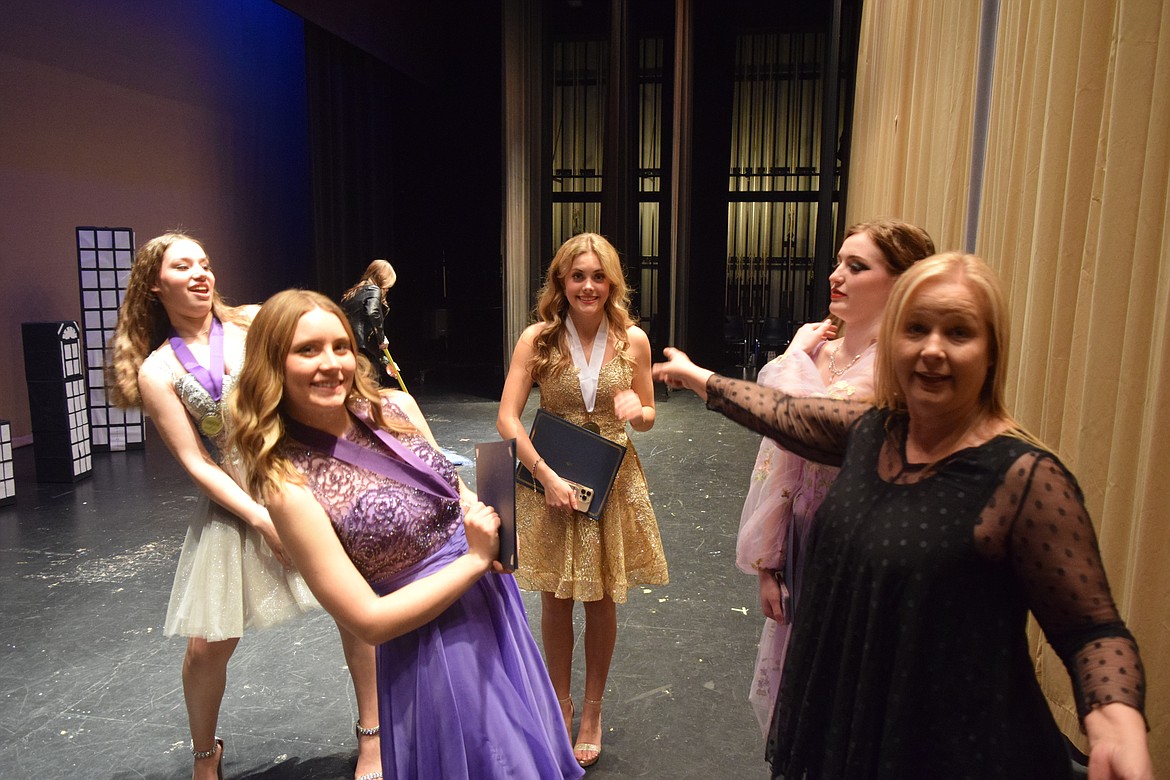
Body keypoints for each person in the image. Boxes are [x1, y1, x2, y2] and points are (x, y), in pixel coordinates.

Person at [653, 253, 1151, 779]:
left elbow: (1091, 629)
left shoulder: (1025, 479)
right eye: (916, 328)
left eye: (958, 332)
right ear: (893, 340)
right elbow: (785, 413)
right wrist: (696, 377)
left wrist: (1115, 717)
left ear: (991, 353)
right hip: (846, 717)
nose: (932, 349)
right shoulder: (875, 431)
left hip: (952, 744)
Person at [228, 289, 584, 780]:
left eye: (340, 346)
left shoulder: (395, 406)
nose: (331, 363)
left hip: (491, 604)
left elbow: (451, 487)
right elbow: (368, 621)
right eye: (306, 349)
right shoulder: (286, 483)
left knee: (520, 751)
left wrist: (492, 535)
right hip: (432, 641)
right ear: (272, 363)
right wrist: (474, 561)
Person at [107, 233, 381, 780]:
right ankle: (206, 755)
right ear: (155, 284)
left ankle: (372, 737)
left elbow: (323, 368)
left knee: (358, 617)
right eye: (183, 266)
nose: (200, 274)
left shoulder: (253, 323)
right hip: (238, 504)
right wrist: (261, 518)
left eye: (205, 263)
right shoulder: (157, 370)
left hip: (307, 484)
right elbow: (197, 463)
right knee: (206, 648)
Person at [736, 219, 935, 733]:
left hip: (863, 550)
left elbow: (799, 418)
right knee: (800, 693)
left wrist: (790, 357)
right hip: (804, 537)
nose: (836, 276)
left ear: (901, 283)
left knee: (851, 696)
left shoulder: (898, 366)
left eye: (856, 266)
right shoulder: (821, 352)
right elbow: (778, 463)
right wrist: (768, 561)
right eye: (838, 263)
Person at [496, 232, 668, 768]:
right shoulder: (539, 339)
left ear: (611, 282)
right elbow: (506, 418)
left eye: (597, 276)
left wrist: (634, 411)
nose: (587, 286)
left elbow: (648, 412)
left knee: (601, 599)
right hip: (552, 483)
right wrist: (544, 476)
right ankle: (558, 703)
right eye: (577, 276)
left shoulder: (631, 340)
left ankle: (591, 711)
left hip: (611, 481)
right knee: (555, 599)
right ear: (561, 283)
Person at [340, 259, 402, 390]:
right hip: (364, 352)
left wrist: (386, 362)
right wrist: (382, 337)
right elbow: (372, 312)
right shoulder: (373, 290)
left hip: (350, 348)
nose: (386, 290)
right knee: (367, 390)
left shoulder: (353, 293)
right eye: (387, 287)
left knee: (355, 388)